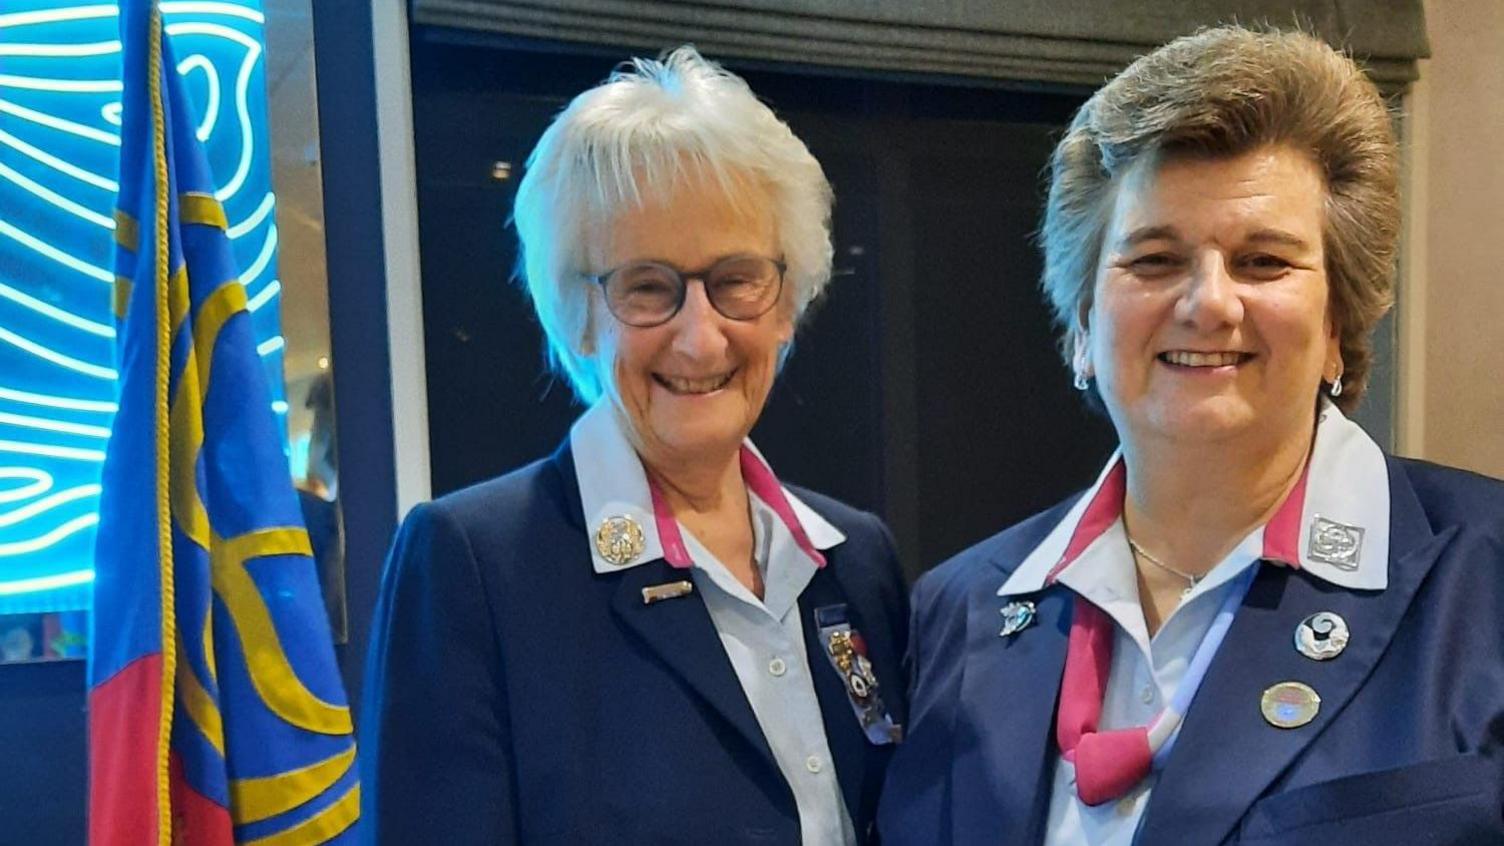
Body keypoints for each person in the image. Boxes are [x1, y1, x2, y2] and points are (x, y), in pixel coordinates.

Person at [879, 25, 1504, 846]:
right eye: (1153, 259)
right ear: (1080, 329)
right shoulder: (954, 610)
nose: (1208, 303)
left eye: (1264, 262)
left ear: (1337, 331)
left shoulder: (1484, 579)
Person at [362, 47, 908, 844]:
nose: (700, 337)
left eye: (736, 280)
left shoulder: (857, 558)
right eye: (647, 287)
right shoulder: (473, 566)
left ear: (787, 303)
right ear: (577, 314)